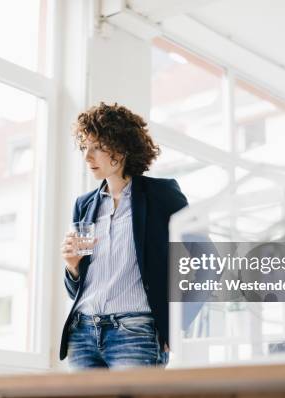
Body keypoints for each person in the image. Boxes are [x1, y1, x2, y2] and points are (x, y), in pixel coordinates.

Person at [59, 102, 189, 370]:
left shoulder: (161, 195)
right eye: (85, 147)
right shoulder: (84, 205)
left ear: (121, 146)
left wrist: (176, 325)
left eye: (96, 147)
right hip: (83, 332)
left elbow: (201, 260)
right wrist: (72, 267)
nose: (87, 157)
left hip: (135, 331)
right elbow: (79, 288)